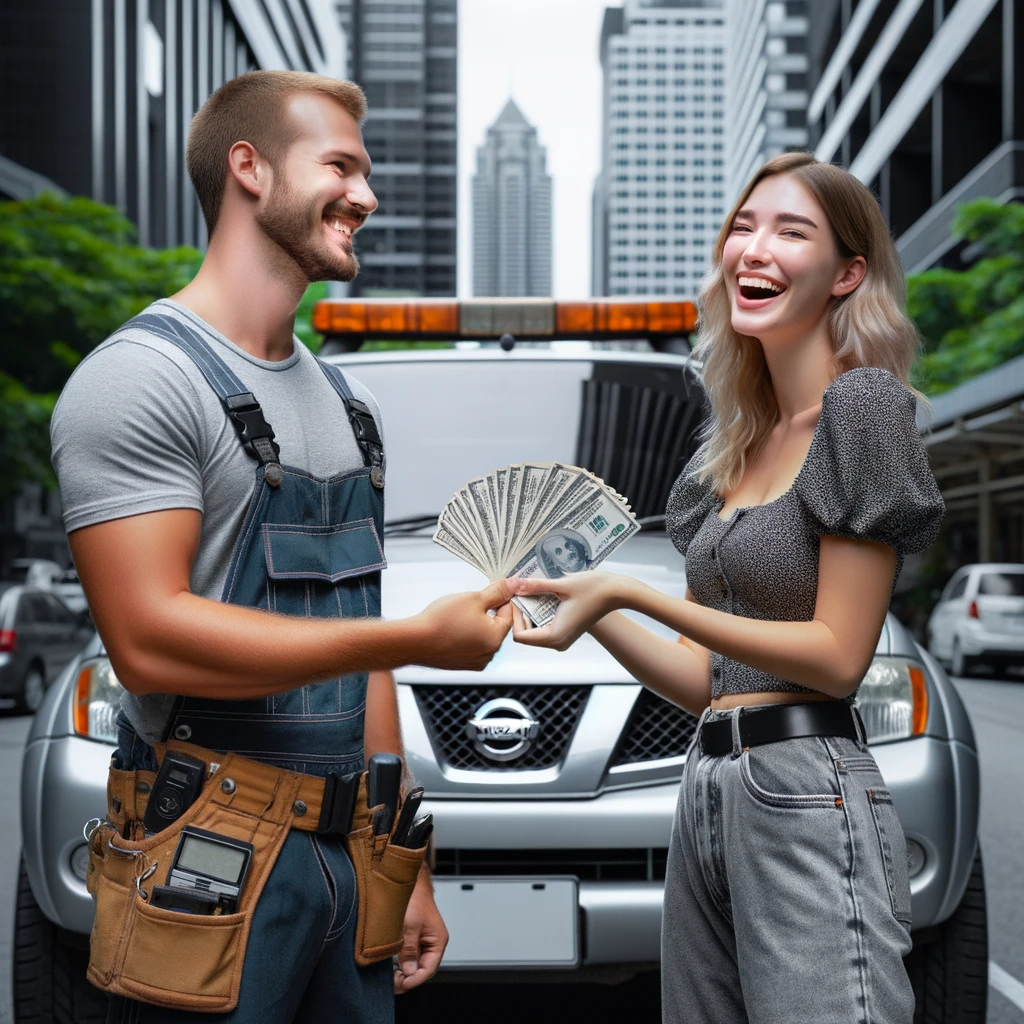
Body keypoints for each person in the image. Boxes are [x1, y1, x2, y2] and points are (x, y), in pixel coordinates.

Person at [51, 71, 512, 1023]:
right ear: (249, 169)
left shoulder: (354, 407)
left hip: (350, 860)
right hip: (206, 854)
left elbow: (363, 632)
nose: (368, 195)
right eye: (340, 165)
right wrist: (412, 641)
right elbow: (149, 639)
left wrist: (404, 861)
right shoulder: (138, 382)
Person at [505, 152, 945, 1023]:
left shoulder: (861, 410)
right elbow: (704, 680)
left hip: (806, 790)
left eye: (791, 231)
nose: (754, 248)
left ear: (846, 274)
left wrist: (634, 595)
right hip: (707, 789)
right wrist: (588, 609)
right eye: (742, 227)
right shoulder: (734, 451)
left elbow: (836, 658)